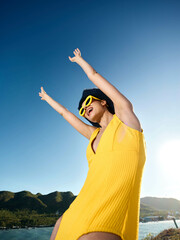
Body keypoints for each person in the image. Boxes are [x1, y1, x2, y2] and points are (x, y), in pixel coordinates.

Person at [39, 48, 146, 240]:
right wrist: (47, 99)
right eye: (81, 109)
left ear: (104, 101)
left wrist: (80, 61)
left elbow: (94, 75)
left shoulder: (125, 121)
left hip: (112, 204)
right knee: (59, 225)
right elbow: (65, 114)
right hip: (84, 202)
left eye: (87, 102)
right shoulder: (93, 135)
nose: (84, 108)